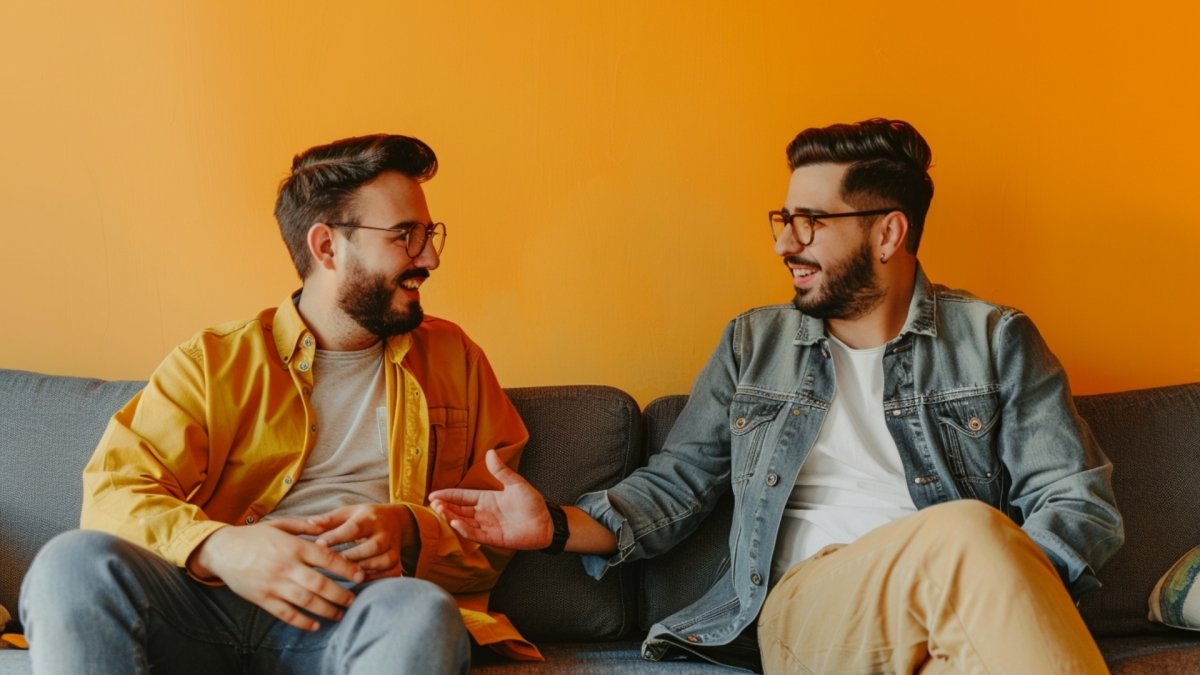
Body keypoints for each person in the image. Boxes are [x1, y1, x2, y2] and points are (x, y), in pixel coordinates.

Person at [430, 119, 1124, 673]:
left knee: (972, 597)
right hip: (808, 615)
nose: (785, 244)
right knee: (971, 529)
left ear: (888, 232)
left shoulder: (995, 339)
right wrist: (551, 523)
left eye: (811, 222)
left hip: (961, 604)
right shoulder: (753, 344)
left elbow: (1076, 501)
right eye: (782, 219)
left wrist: (1009, 590)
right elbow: (674, 485)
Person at [20, 134, 537, 674]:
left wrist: (408, 531)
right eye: (405, 235)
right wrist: (219, 547)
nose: (428, 256)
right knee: (68, 565)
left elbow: (496, 530)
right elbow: (113, 491)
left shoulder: (456, 360)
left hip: (362, 610)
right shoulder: (213, 362)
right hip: (204, 604)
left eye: (428, 234)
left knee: (424, 612)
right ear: (327, 247)